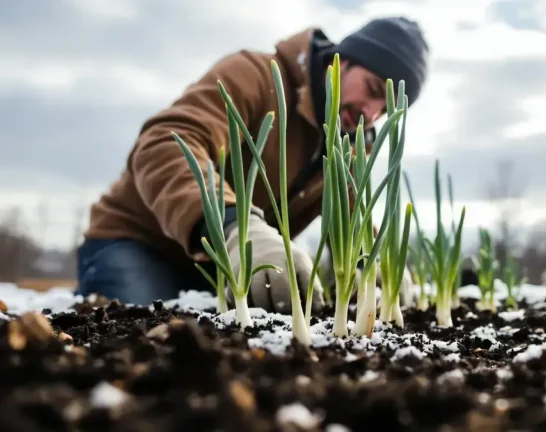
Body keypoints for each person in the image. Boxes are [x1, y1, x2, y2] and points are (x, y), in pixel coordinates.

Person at [74, 17, 430, 312]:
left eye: (384, 108)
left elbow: (350, 217)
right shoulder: (256, 75)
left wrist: (372, 263)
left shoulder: (350, 143)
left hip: (220, 269)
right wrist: (236, 227)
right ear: (342, 60)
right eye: (371, 88)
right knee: (145, 335)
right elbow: (166, 141)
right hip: (138, 242)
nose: (371, 114)